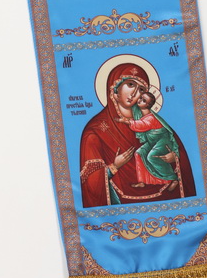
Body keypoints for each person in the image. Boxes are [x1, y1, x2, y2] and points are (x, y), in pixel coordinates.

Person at [78, 61, 195, 207]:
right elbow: (89, 182)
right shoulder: (95, 130)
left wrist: (175, 157)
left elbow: (175, 147)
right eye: (130, 84)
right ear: (115, 87)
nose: (134, 93)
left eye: (141, 89)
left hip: (165, 197)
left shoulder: (154, 121)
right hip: (120, 205)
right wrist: (114, 166)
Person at [119, 90, 180, 191]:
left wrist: (127, 121)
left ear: (148, 105)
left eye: (144, 100)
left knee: (151, 156)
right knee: (139, 153)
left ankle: (173, 178)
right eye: (140, 98)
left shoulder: (151, 117)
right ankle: (142, 181)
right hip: (153, 142)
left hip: (163, 141)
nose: (140, 100)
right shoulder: (140, 114)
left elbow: (142, 125)